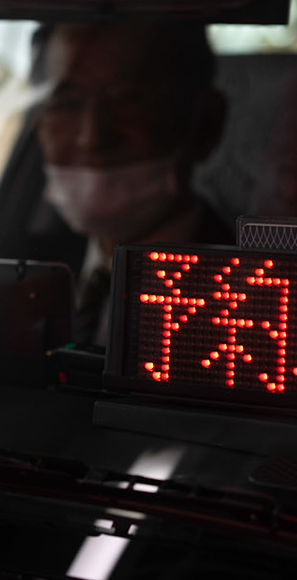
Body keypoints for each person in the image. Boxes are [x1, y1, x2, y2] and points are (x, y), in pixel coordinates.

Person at [31, 21, 231, 345]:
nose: (92, 136)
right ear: (39, 123)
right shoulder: (25, 270)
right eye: (66, 104)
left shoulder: (250, 297)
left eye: (127, 101)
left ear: (206, 126)